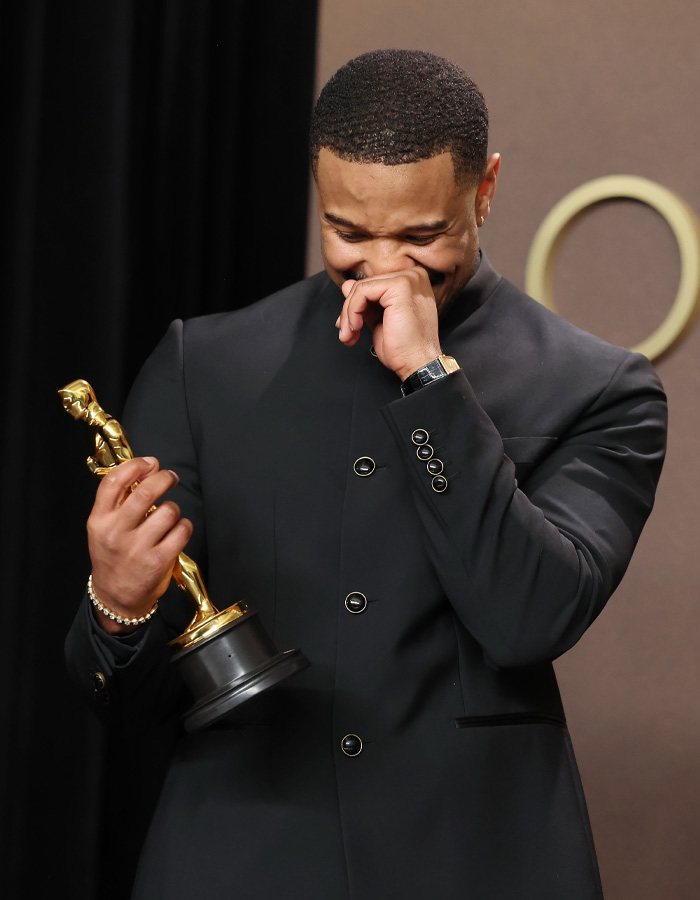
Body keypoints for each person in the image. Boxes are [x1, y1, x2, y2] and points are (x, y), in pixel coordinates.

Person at [66, 50, 667, 899]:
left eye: (422, 236)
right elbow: (131, 708)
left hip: (477, 860)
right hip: (242, 858)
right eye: (348, 231)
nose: (382, 264)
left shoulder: (600, 389)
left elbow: (529, 618)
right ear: (318, 189)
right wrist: (117, 605)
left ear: (485, 188)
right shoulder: (204, 366)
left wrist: (431, 383)